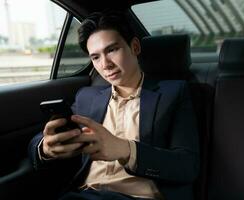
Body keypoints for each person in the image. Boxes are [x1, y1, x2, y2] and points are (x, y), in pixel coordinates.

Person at [28, 10, 199, 200]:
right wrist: (45, 148)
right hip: (85, 195)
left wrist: (124, 149)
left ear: (134, 47)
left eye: (111, 50)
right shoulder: (87, 97)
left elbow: (187, 165)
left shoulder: (173, 93)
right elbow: (39, 140)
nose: (105, 64)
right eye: (95, 57)